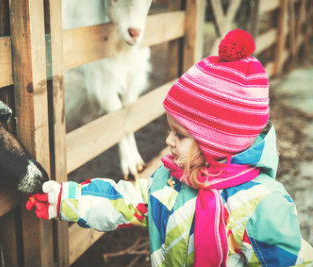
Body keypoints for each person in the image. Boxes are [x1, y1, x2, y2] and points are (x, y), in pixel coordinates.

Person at [26, 29, 313, 267]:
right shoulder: (170, 183)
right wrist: (67, 199)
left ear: (218, 142)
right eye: (169, 130)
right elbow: (123, 202)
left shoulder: (263, 206)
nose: (168, 141)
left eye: (180, 135)